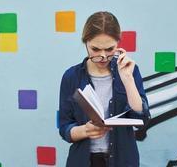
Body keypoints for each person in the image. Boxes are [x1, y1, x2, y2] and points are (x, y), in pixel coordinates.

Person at [59, 11, 150, 167]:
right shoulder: (71, 76)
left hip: (122, 161)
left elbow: (141, 118)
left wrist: (127, 78)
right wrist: (85, 131)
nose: (102, 56)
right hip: (83, 161)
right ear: (85, 42)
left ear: (118, 43)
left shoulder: (130, 70)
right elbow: (64, 127)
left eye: (109, 49)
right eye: (95, 49)